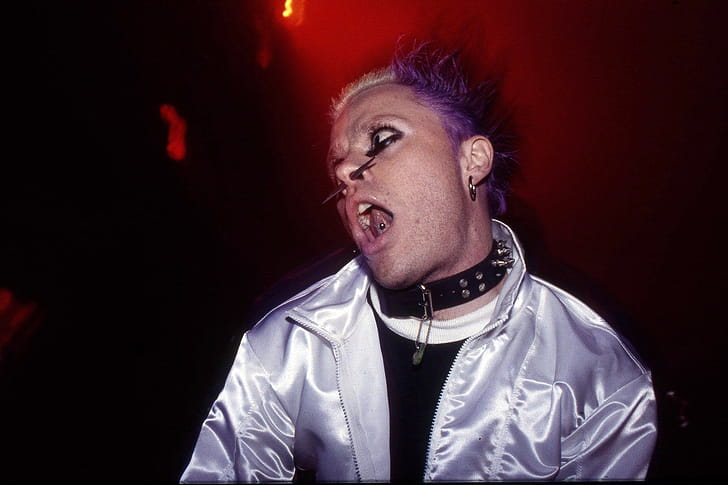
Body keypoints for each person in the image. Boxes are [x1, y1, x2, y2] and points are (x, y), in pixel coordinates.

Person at [181, 43, 657, 482]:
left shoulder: (597, 370)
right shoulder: (288, 342)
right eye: (337, 171)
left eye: (382, 139)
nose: (345, 173)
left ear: (473, 160)